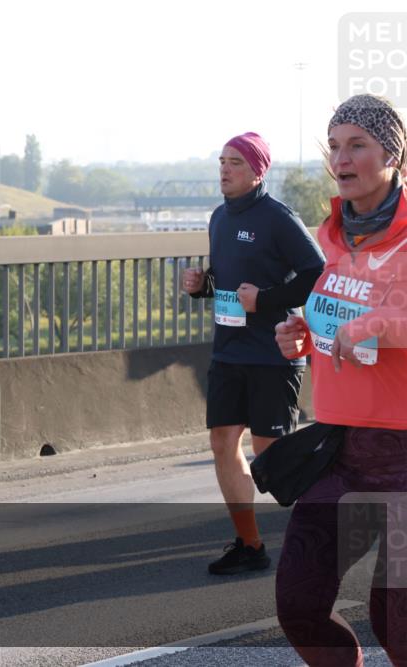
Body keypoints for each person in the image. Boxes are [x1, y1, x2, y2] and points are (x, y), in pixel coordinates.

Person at [274, 93, 407, 667]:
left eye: (358, 145)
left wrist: (376, 325)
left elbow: (376, 321)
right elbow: (337, 319)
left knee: (396, 623)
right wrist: (305, 332)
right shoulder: (330, 237)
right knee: (299, 605)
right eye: (334, 146)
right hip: (342, 451)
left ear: (393, 155)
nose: (342, 158)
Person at [181, 132, 324, 574]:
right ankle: (249, 544)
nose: (225, 170)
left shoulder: (278, 218)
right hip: (229, 351)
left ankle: (322, 531)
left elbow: (317, 272)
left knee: (270, 452)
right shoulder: (219, 218)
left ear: (258, 170)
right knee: (223, 442)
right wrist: (202, 286)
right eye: (222, 162)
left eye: (236, 163)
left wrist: (264, 299)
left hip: (273, 350)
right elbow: (228, 280)